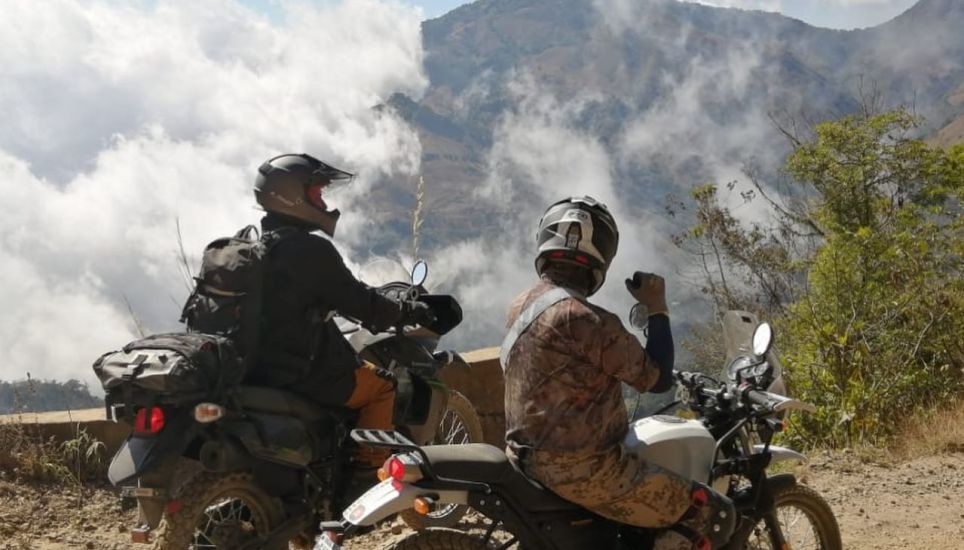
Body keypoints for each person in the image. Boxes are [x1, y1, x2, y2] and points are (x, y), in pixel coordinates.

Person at [501, 196, 736, 550]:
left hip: (524, 457)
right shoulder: (587, 320)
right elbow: (656, 379)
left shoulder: (521, 304)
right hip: (586, 470)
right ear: (602, 255)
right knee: (713, 512)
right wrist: (657, 307)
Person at [250, 153, 434, 473]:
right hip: (301, 372)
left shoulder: (250, 247)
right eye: (317, 193)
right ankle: (366, 475)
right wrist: (405, 311)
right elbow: (361, 303)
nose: (322, 202)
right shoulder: (309, 251)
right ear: (292, 197)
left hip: (254, 366)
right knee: (383, 386)